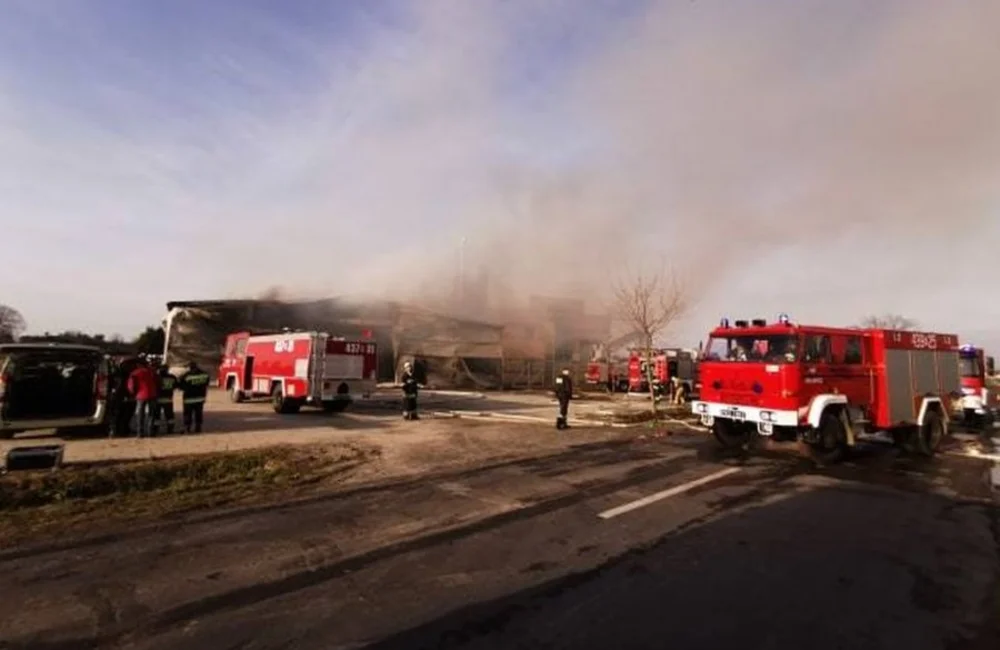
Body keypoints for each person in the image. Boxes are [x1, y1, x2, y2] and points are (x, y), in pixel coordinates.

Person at [127, 358, 159, 438]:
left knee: (140, 415)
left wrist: (132, 394)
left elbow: (131, 386)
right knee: (151, 414)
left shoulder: (134, 373)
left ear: (138, 365)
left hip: (140, 396)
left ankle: (140, 433)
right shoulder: (151, 372)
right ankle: (151, 432)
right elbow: (158, 382)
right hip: (152, 395)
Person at [177, 361, 210, 433]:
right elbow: (207, 383)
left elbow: (180, 386)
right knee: (199, 413)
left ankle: (187, 428)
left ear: (189, 367)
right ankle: (198, 428)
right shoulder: (204, 374)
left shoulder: (186, 376)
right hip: (200, 398)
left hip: (189, 399)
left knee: (188, 414)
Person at [154, 364, 177, 435]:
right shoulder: (172, 377)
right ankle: (170, 429)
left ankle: (155, 429)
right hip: (168, 399)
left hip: (157, 400)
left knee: (156, 416)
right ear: (167, 369)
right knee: (169, 416)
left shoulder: (156, 377)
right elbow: (175, 386)